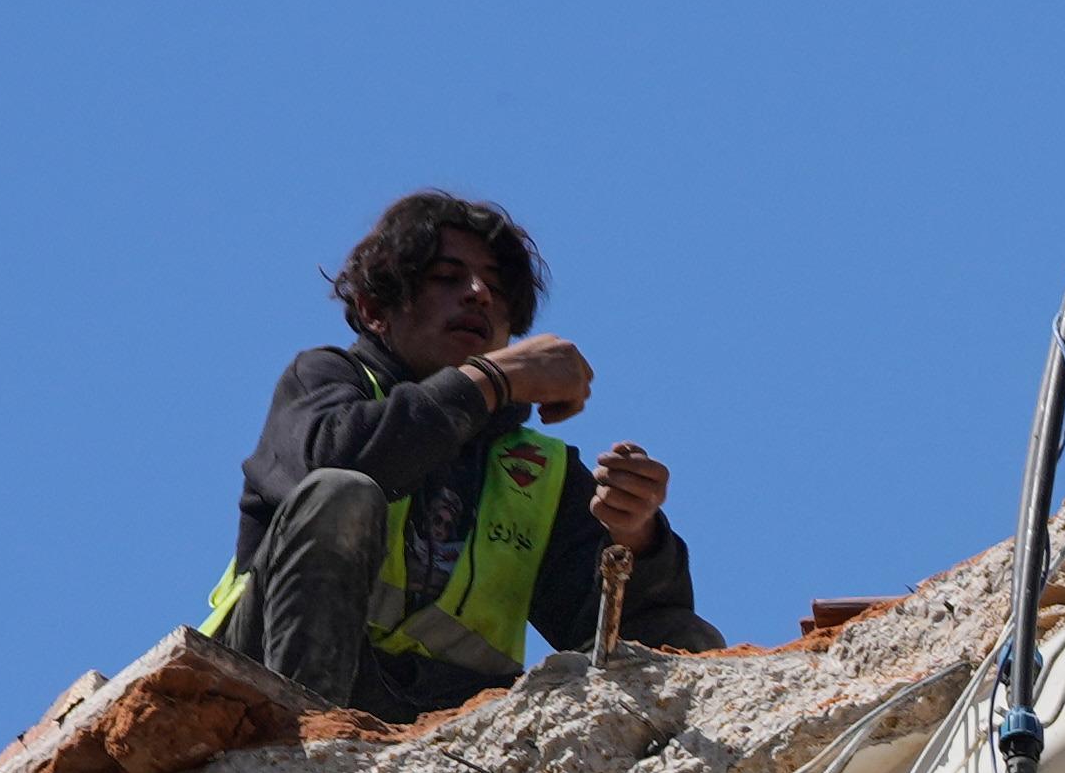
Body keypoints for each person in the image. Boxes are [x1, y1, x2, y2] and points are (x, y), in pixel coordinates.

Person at [209, 192, 712, 719]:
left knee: (679, 638)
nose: (478, 295)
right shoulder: (327, 381)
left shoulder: (538, 471)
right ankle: (300, 746)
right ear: (374, 309)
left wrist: (636, 533)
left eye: (496, 288)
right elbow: (334, 466)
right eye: (447, 278)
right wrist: (494, 379)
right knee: (342, 492)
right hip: (270, 683)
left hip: (444, 713)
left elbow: (639, 628)